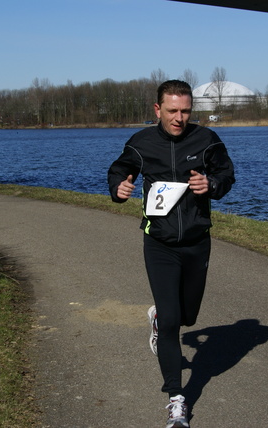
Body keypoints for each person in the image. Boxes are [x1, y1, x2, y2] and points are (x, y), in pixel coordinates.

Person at [107, 80, 235, 428]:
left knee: (188, 317)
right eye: (172, 111)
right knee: (171, 320)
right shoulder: (142, 143)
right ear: (157, 110)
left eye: (185, 111)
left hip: (196, 242)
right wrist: (118, 189)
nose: (179, 118)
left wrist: (212, 184)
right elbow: (120, 171)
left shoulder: (206, 140)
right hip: (159, 243)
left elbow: (226, 174)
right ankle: (176, 400)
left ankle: (161, 319)